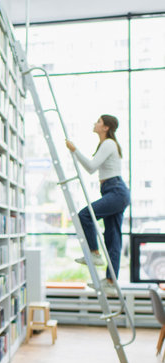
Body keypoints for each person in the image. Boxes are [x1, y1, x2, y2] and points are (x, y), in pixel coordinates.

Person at [66, 114, 130, 295]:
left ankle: (94, 253)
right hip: (114, 190)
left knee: (85, 215)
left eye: (99, 122)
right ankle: (110, 280)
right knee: (112, 238)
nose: (95, 123)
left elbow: (91, 167)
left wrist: (74, 150)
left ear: (106, 127)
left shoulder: (108, 144)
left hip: (116, 191)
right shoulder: (107, 144)